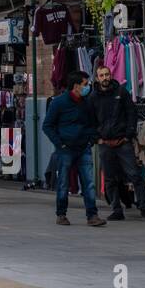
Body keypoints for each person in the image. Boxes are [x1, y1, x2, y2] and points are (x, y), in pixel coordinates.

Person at [91, 64, 145, 222]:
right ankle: (116, 209)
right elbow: (89, 120)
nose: (105, 78)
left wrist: (129, 135)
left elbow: (131, 113)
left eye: (107, 74)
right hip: (105, 143)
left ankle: (144, 207)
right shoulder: (93, 97)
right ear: (97, 78)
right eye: (101, 75)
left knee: (134, 175)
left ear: (111, 74)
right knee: (110, 178)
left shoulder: (121, 92)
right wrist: (96, 138)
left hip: (123, 142)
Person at [42, 71, 105, 226]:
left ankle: (92, 215)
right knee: (63, 183)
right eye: (85, 84)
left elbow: (92, 123)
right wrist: (59, 143)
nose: (88, 87)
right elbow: (47, 125)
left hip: (83, 147)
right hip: (65, 149)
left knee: (89, 183)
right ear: (76, 86)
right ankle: (61, 214)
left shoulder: (87, 103)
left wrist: (91, 140)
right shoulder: (59, 102)